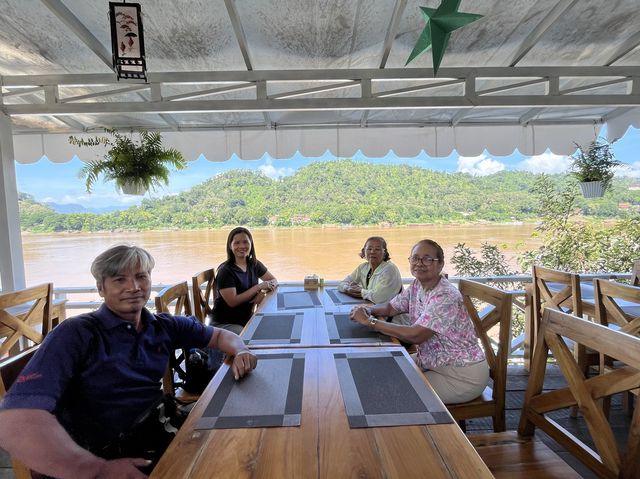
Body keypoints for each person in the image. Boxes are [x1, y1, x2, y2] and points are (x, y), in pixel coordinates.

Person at [0, 245, 257, 479]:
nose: (133, 287)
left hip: (156, 429)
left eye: (141, 277)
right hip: (105, 454)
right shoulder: (77, 333)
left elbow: (221, 336)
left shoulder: (162, 325)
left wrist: (242, 350)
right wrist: (95, 469)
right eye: (119, 279)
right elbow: (14, 419)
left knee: (244, 439)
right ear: (101, 288)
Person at [350, 239, 489, 404]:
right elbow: (391, 307)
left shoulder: (445, 295)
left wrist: (371, 322)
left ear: (440, 264)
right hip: (432, 360)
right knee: (384, 370)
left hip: (461, 375)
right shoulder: (417, 285)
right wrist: (368, 310)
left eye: (427, 259)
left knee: (395, 392)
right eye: (415, 258)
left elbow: (416, 335)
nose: (419, 263)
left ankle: (424, 430)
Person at [210, 227, 277, 334]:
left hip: (245, 318)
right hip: (224, 323)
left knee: (272, 327)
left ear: (251, 244)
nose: (242, 246)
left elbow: (273, 280)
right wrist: (258, 287)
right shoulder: (225, 271)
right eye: (237, 243)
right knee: (248, 336)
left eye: (245, 242)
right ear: (230, 246)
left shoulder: (254, 264)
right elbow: (233, 302)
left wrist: (262, 292)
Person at [338, 236, 408, 324]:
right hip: (374, 316)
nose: (372, 252)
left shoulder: (389, 269)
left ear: (384, 253)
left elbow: (378, 297)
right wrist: (347, 289)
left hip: (394, 322)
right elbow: (341, 284)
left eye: (377, 249)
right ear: (364, 251)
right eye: (369, 249)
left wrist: (361, 292)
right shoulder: (363, 267)